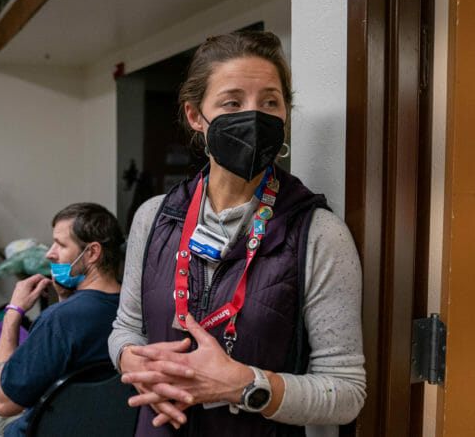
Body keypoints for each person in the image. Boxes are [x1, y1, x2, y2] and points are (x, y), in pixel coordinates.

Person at [108, 30, 366, 436]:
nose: (255, 115)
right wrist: (130, 361)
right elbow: (126, 327)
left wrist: (246, 386)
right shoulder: (152, 217)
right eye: (232, 102)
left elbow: (347, 393)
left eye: (270, 102)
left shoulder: (318, 234)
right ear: (196, 116)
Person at [0, 202, 125, 437]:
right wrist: (65, 298)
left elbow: (4, 404)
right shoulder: (132, 310)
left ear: (91, 252)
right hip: (93, 426)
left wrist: (13, 312)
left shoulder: (57, 321)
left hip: (39, 430)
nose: (49, 253)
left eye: (60, 244)